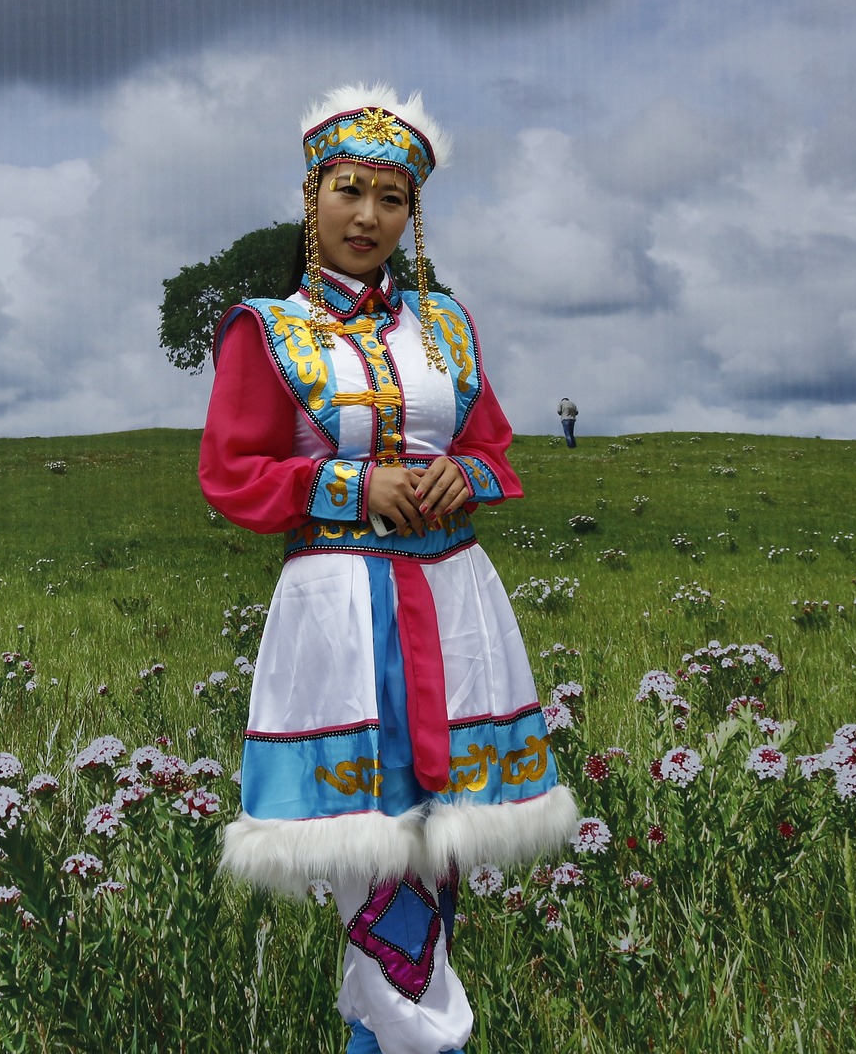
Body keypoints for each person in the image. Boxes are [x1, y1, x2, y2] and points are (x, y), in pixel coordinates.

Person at [198, 85, 576, 1054]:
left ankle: (386, 1039)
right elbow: (232, 474)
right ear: (312, 194)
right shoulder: (269, 329)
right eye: (349, 191)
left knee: (432, 846)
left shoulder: (447, 325)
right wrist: (349, 486)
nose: (368, 216)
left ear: (413, 216)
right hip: (342, 611)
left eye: (392, 199)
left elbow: (495, 448)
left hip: (451, 604)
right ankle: (424, 1040)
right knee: (374, 852)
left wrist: (462, 474)